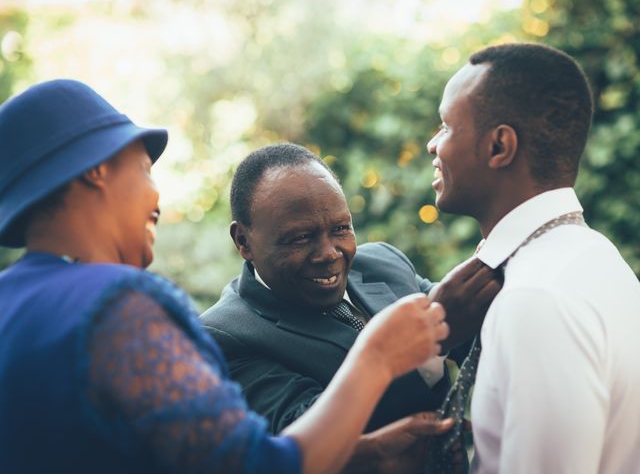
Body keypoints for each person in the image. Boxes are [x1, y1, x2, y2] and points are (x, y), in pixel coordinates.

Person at [0, 79, 452, 474]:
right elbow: (255, 467)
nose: (156, 197)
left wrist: (366, 456)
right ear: (97, 170)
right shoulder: (119, 303)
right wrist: (376, 359)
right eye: (144, 169)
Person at [200, 143, 501, 472]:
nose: (329, 253)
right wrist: (436, 338)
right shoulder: (224, 337)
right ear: (243, 241)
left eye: (341, 229)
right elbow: (306, 431)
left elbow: (482, 333)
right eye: (301, 237)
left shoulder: (384, 264)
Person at [427, 42, 640, 473]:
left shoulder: (536, 299)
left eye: (447, 127)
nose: (433, 145)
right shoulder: (597, 258)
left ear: (499, 146)